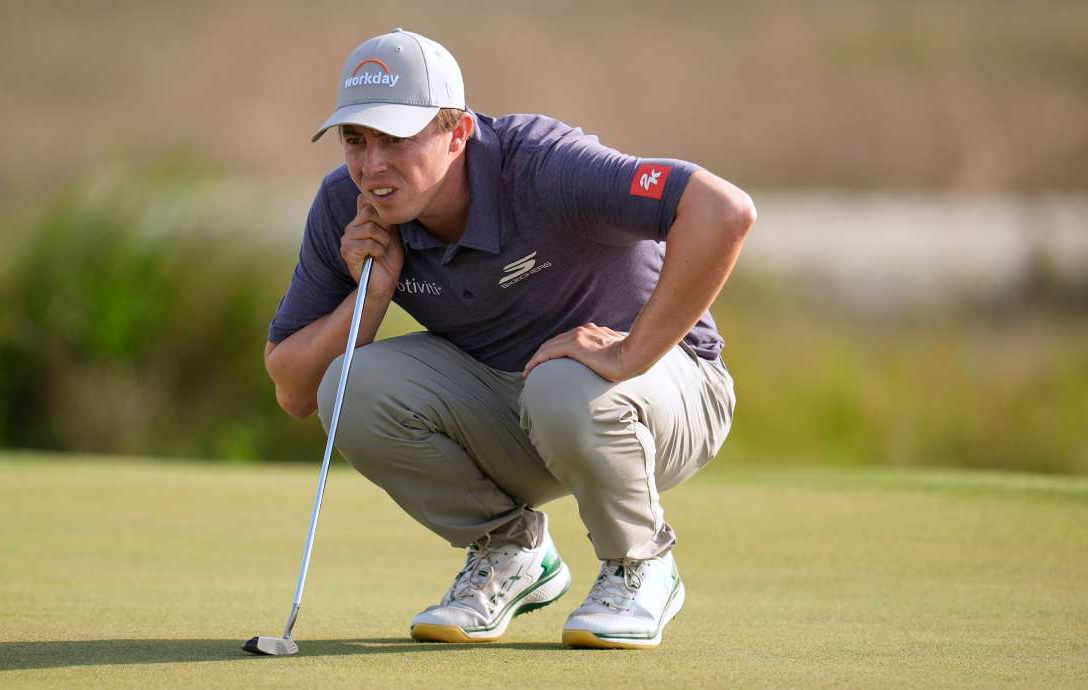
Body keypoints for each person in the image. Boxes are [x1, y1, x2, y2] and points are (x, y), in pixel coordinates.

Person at [265, 28, 754, 650]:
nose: (372, 166)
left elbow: (724, 210)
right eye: (355, 141)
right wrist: (373, 297)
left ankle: (640, 564)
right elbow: (295, 390)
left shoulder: (546, 167)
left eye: (396, 139)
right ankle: (513, 552)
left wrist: (630, 352)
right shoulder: (347, 207)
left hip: (668, 394)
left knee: (560, 383)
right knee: (348, 384)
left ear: (459, 131)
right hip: (524, 410)